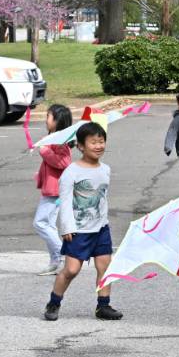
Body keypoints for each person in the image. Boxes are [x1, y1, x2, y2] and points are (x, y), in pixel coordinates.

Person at [43, 122, 121, 322]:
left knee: (105, 267)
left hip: (101, 228)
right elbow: (66, 201)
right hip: (78, 231)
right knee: (71, 270)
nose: (98, 146)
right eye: (93, 142)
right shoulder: (72, 171)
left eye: (101, 141)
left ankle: (103, 306)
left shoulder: (105, 169)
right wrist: (66, 227)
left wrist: (103, 220)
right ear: (80, 146)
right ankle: (54, 302)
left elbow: (102, 198)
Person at [33, 103, 73, 274]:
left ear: (57, 121)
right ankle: (55, 260)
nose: (45, 120)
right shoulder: (53, 138)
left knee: (40, 223)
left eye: (48, 116)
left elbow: (64, 163)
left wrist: (45, 151)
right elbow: (51, 166)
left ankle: (61, 253)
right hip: (51, 189)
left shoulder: (60, 140)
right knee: (48, 224)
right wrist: (40, 175)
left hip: (55, 192)